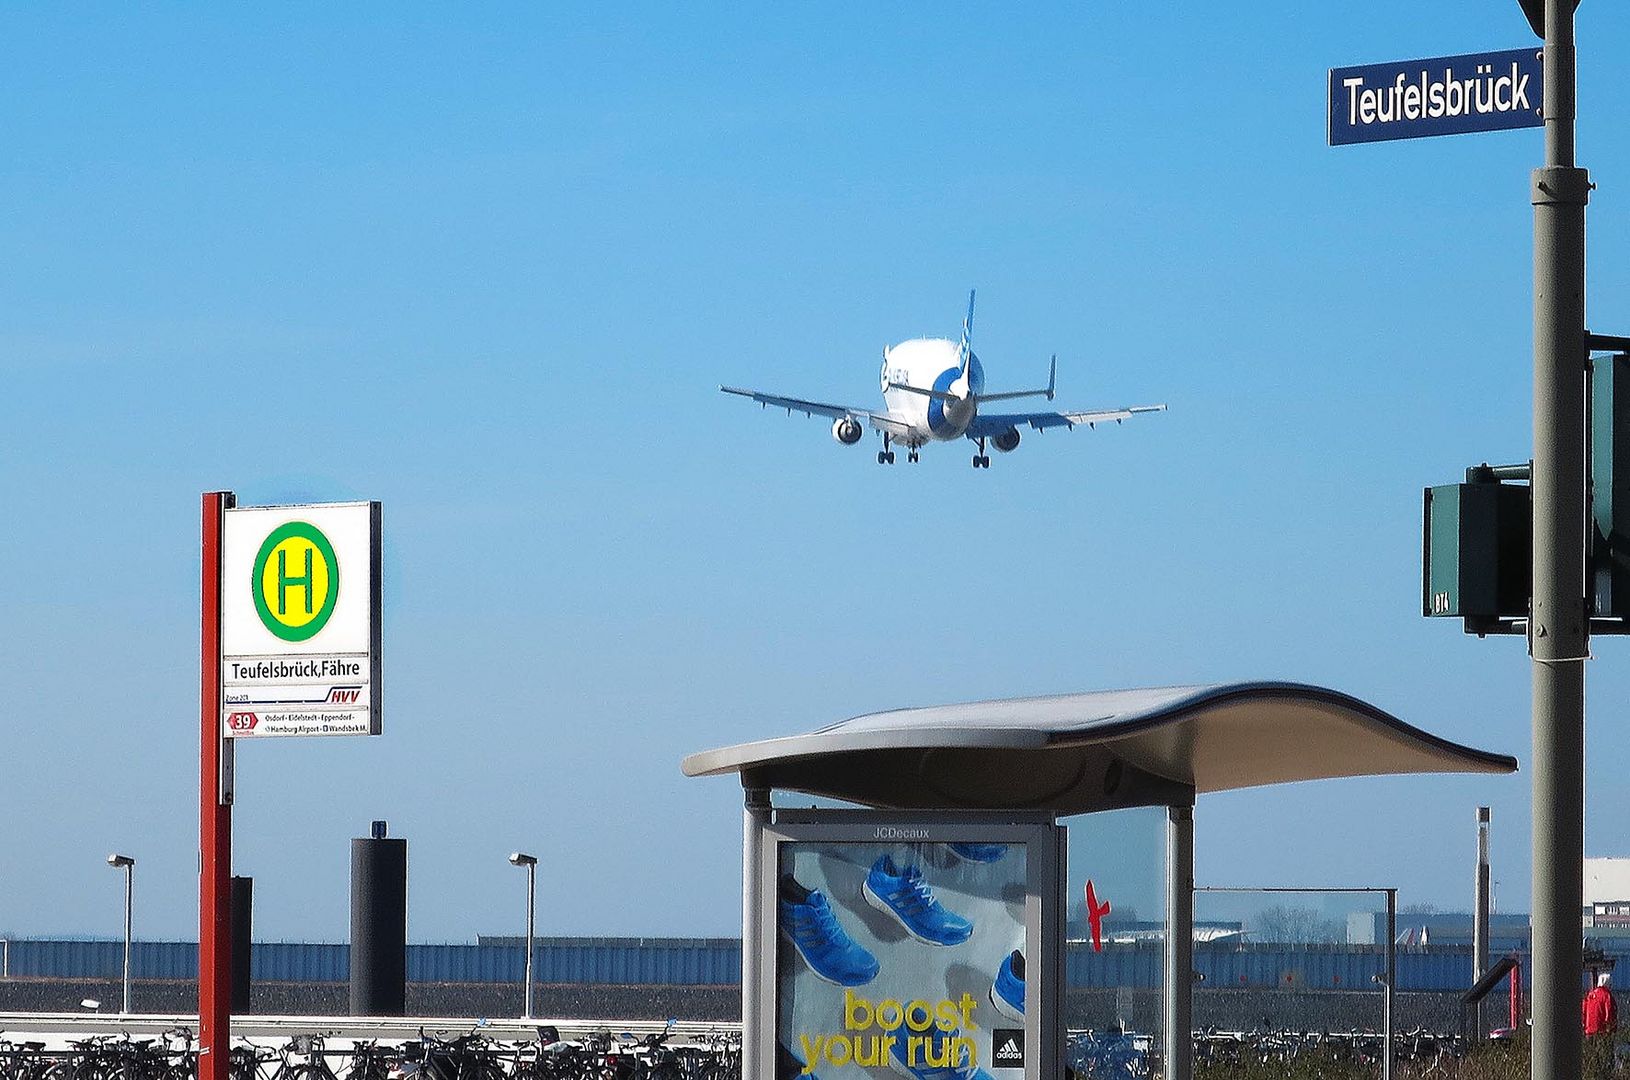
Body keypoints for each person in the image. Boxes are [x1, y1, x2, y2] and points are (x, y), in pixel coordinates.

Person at [1584, 971, 1618, 1037]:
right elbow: (1609, 1012)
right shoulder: (1606, 995)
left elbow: (1584, 1010)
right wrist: (1609, 1028)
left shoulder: (1590, 994)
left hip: (1589, 1030)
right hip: (1601, 1030)